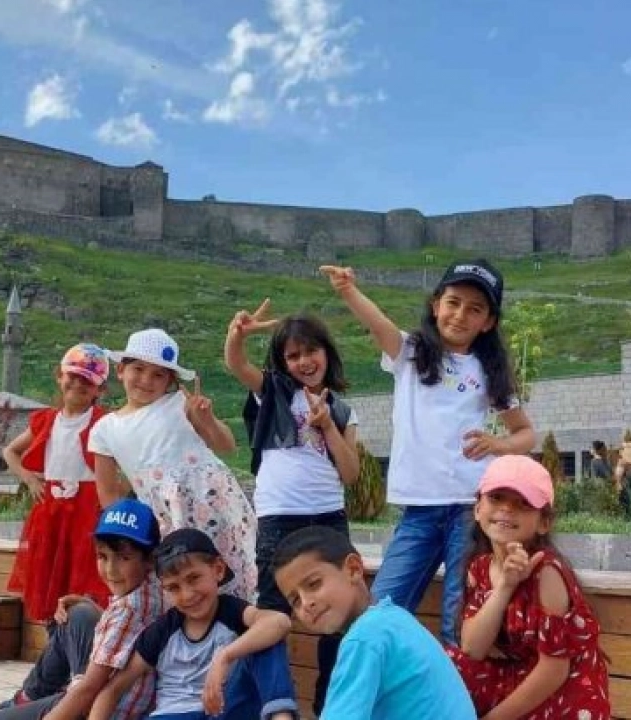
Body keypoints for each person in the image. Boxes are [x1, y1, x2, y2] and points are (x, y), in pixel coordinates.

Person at [320, 258, 535, 645]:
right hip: (418, 512)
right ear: (436, 305)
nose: (460, 315)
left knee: (458, 616)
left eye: (475, 309)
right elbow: (379, 325)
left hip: (469, 512)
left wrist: (498, 444)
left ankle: (457, 682)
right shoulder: (411, 353)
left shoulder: (490, 371)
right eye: (453, 302)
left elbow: (526, 434)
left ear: (488, 322)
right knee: (379, 611)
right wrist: (348, 290)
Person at [223, 299, 359, 714]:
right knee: (272, 614)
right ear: (282, 363)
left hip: (329, 518)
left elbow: (350, 472)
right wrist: (236, 336)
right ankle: (277, 706)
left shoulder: (343, 410)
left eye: (311, 350)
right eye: (293, 355)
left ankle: (330, 704)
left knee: (342, 613)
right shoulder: (274, 392)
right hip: (280, 518)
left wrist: (327, 426)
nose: (304, 361)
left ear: (326, 353)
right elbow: (236, 365)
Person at [89, 328, 257, 600]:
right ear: (120, 370)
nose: (146, 380)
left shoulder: (181, 403)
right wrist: (122, 535)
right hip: (164, 515)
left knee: (228, 565)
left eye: (158, 374)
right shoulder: (104, 429)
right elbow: (108, 494)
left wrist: (206, 419)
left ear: (169, 380)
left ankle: (237, 615)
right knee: (179, 576)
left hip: (212, 503)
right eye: (138, 369)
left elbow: (226, 445)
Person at [451, 455, 610, 720]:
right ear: (478, 509)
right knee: (447, 664)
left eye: (523, 504)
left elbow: (554, 671)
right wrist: (505, 586)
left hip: (566, 692)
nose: (506, 508)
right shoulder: (479, 567)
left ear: (543, 523)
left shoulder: (547, 572)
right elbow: (472, 649)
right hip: (519, 675)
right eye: (496, 498)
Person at [88, 528, 299, 720]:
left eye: (194, 578)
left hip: (226, 709)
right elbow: (112, 691)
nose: (187, 595)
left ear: (218, 569)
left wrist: (225, 656)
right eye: (174, 588)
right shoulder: (162, 630)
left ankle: (281, 717)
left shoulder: (232, 611)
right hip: (174, 714)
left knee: (266, 640)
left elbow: (279, 622)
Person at [0, 498, 164, 720]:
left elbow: (89, 690)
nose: (111, 569)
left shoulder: (127, 611)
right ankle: (27, 700)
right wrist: (92, 606)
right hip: (114, 695)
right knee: (78, 614)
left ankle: (25, 701)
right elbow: (130, 633)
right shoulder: (155, 588)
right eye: (103, 556)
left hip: (97, 709)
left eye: (123, 558)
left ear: (149, 559)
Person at [272, 525, 477, 720]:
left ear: (353, 569)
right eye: (295, 600)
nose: (306, 603)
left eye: (313, 584)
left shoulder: (365, 637)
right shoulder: (392, 618)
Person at [5, 344, 112, 623]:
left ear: (100, 389)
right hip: (51, 512)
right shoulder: (46, 420)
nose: (78, 384)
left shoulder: (104, 422)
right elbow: (10, 451)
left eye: (87, 381)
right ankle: (54, 636)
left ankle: (82, 633)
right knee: (49, 580)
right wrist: (29, 478)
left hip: (87, 511)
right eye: (72, 376)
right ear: (59, 376)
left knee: (85, 578)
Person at [614, 439, 631, 520]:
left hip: (626, 489)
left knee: (627, 510)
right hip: (625, 489)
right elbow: (619, 479)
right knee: (626, 510)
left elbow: (619, 477)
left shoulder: (625, 463)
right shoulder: (625, 464)